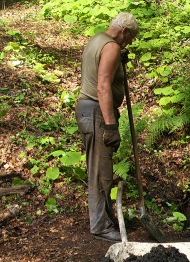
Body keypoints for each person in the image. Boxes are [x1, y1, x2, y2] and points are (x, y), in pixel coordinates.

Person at [75, 12, 139, 242]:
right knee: (100, 171)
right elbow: (102, 87)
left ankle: (106, 217)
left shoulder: (97, 40)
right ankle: (100, 225)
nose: (130, 42)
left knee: (101, 167)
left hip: (88, 110)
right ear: (124, 32)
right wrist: (110, 125)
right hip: (96, 113)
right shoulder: (110, 47)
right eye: (131, 38)